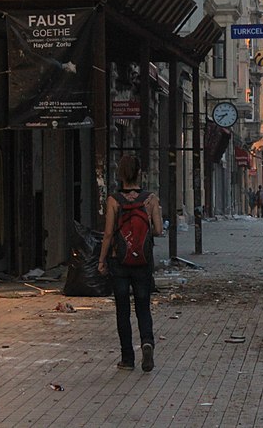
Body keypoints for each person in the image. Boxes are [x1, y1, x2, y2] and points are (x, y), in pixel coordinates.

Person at [98, 155, 163, 372]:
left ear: (121, 175)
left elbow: (108, 234)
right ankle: (147, 342)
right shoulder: (150, 199)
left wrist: (101, 260)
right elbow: (158, 230)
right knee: (143, 308)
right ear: (139, 173)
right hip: (143, 262)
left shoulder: (114, 200)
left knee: (123, 310)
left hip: (119, 261)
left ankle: (127, 358)